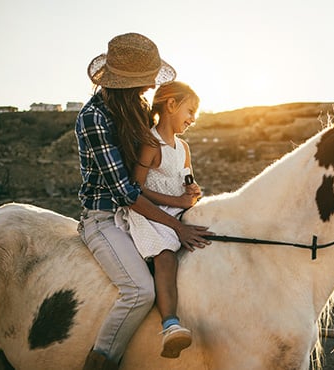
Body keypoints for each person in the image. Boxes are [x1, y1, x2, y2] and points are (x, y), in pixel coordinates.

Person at [76, 33, 212, 370]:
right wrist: (176, 225)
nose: (147, 90)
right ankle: (100, 362)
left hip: (145, 210)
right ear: (123, 82)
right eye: (141, 83)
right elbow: (126, 192)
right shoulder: (93, 119)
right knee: (139, 291)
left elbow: (159, 152)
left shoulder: (135, 107)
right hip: (105, 216)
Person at [114, 80, 203, 359]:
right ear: (171, 105)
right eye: (190, 111)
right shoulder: (151, 144)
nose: (193, 119)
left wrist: (193, 190)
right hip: (149, 215)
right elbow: (136, 189)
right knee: (165, 255)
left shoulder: (183, 147)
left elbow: (186, 180)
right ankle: (170, 324)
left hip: (177, 212)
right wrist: (177, 202)